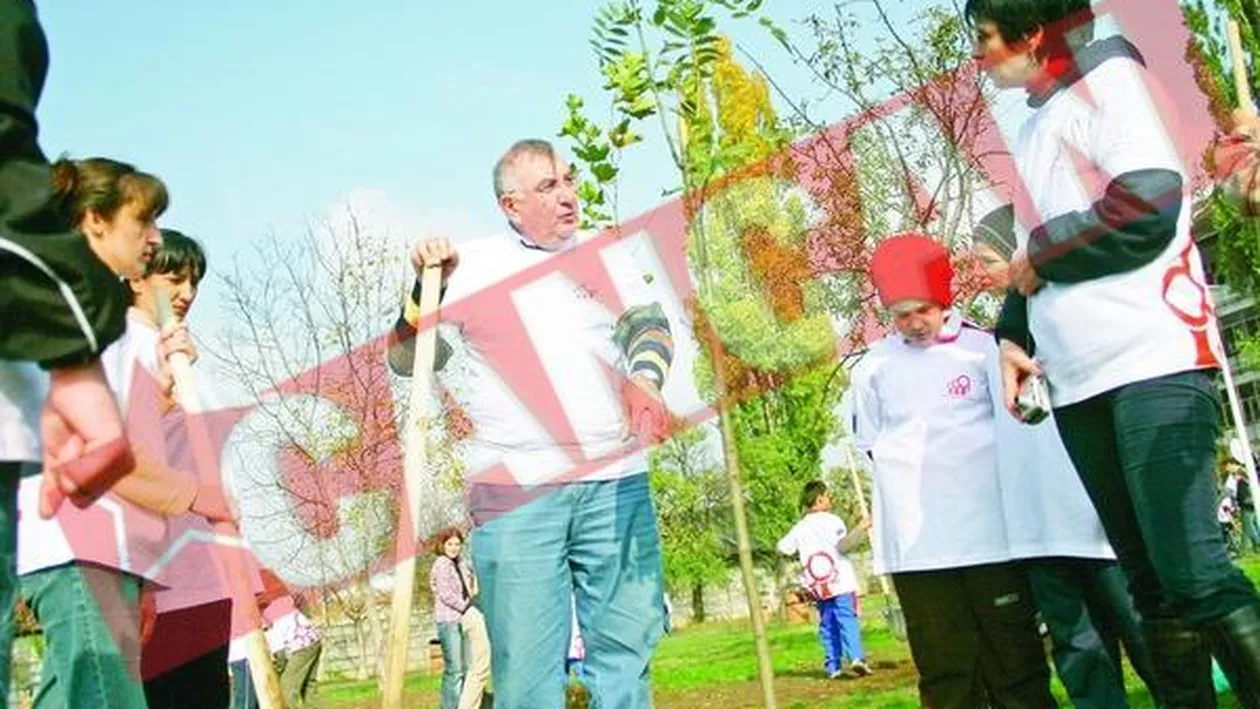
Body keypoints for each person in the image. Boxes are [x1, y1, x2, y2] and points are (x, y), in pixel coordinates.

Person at [969, 0, 1260, 702]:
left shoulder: (1109, 80)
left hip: (1151, 361)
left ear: (1031, 33)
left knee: (1193, 572)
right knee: (1151, 588)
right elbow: (1039, 255)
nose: (977, 56)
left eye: (984, 39)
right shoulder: (1038, 123)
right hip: (1081, 380)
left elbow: (1148, 204)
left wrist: (1037, 252)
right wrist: (1013, 329)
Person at [388, 139, 675, 708]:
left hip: (616, 484)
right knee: (525, 676)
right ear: (510, 204)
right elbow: (406, 359)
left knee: (626, 659)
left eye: (568, 180)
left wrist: (644, 379)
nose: (568, 195)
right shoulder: (470, 267)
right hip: (517, 491)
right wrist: (426, 285)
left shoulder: (606, 252)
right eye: (549, 186)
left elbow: (650, 327)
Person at [15, 159, 231, 708]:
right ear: (95, 222)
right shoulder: (82, 314)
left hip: (106, 552)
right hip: (79, 546)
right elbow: (105, 455)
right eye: (144, 224)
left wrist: (160, 391)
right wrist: (200, 496)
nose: (155, 238)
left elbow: (124, 429)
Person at [849, 233, 1055, 708]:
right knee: (945, 672)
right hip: (920, 551)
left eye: (924, 309)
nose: (915, 323)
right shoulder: (873, 367)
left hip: (991, 539)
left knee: (1015, 662)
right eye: (902, 315)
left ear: (945, 300)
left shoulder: (984, 350)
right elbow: (872, 446)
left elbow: (1015, 430)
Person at [973, 205, 1159, 707]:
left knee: (1146, 633)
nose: (981, 272)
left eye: (989, 258)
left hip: (1096, 519)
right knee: (1078, 650)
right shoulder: (990, 340)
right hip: (1038, 528)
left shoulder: (1063, 313)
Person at [132, 230, 239, 709]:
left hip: (204, 568)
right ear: (137, 278)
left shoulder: (184, 354)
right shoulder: (122, 351)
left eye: (194, 281)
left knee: (206, 694)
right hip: (158, 571)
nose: (187, 293)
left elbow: (215, 457)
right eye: (174, 278)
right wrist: (141, 574)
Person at [776, 480, 871, 680]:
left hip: (817, 584)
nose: (830, 499)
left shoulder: (800, 527)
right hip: (840, 580)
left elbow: (783, 547)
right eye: (828, 496)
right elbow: (843, 547)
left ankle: (833, 666)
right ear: (819, 499)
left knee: (827, 623)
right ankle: (856, 657)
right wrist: (861, 528)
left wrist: (803, 554)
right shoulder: (833, 521)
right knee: (846, 617)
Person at [430, 527, 488, 709]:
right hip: (449, 620)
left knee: (465, 667)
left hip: (463, 618)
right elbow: (445, 594)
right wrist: (466, 607)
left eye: (457, 544)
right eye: (450, 544)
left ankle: (464, 704)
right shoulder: (441, 563)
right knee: (454, 669)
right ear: (442, 545)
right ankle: (450, 706)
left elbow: (470, 586)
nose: (454, 548)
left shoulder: (460, 564)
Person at [264, 592, 323, 708]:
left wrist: (279, 670)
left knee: (287, 687)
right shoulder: (281, 602)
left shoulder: (271, 621)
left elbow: (279, 654)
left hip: (303, 645)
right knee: (308, 686)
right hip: (314, 639)